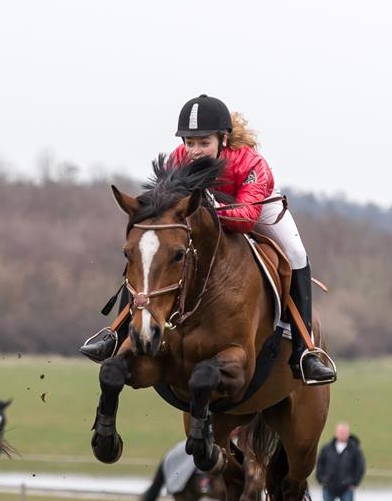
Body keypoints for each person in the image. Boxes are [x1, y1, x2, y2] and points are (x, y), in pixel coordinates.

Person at [80, 94, 336, 385]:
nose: (195, 151)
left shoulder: (252, 164)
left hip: (258, 210)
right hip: (205, 218)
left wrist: (208, 210)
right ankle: (118, 334)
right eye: (190, 143)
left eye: (204, 143)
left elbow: (245, 218)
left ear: (222, 139)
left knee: (296, 253)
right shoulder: (178, 159)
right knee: (152, 249)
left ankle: (305, 352)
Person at [315, 422, 365, 501]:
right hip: (329, 488)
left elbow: (360, 467)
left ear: (348, 433)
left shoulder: (354, 449)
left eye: (344, 431)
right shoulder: (327, 448)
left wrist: (354, 483)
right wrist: (322, 480)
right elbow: (320, 465)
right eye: (340, 431)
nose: (342, 433)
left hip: (347, 488)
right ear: (336, 432)